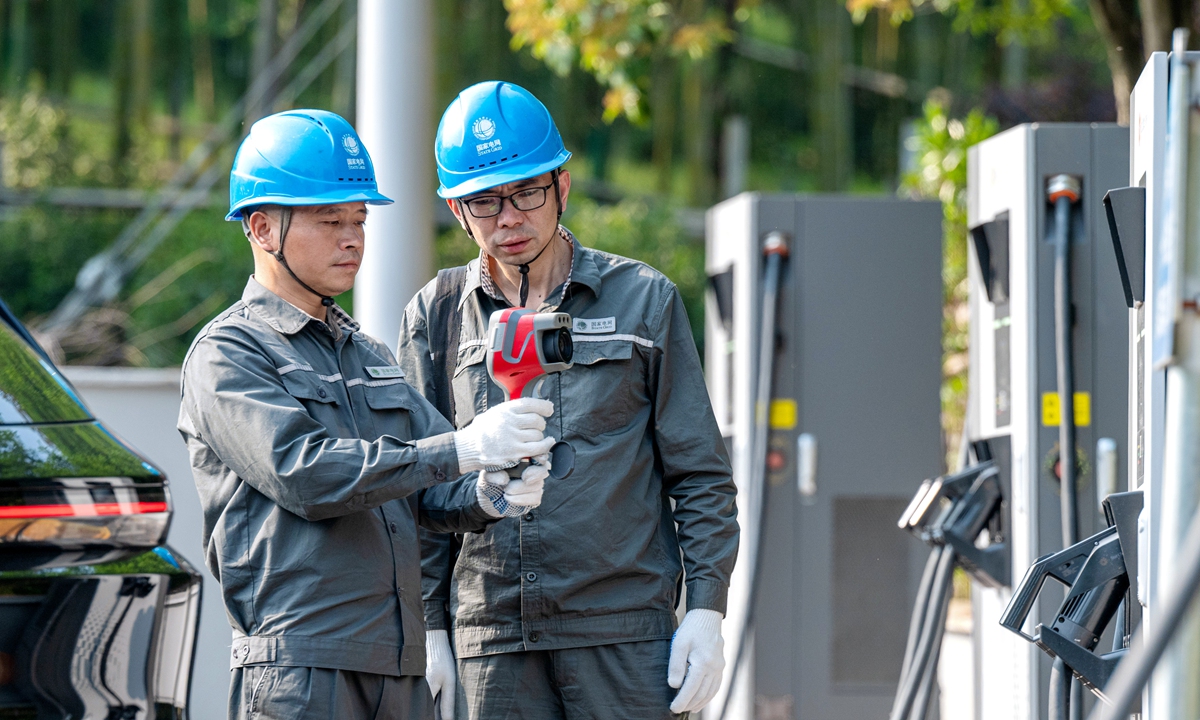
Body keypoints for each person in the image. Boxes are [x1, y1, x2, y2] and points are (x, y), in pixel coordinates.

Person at [178, 108, 558, 720]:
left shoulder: (368, 355)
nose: (353, 238)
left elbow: (428, 487)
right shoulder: (229, 353)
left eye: (358, 220)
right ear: (261, 228)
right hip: (301, 671)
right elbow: (306, 474)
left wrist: (491, 492)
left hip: (399, 673)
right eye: (331, 220)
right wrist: (464, 450)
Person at [396, 81, 739, 720]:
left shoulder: (642, 300)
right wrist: (431, 628)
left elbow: (700, 477)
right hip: (491, 644)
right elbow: (416, 485)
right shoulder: (437, 317)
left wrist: (706, 611)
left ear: (563, 185)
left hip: (625, 639)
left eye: (526, 192)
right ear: (455, 210)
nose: (509, 218)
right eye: (484, 202)